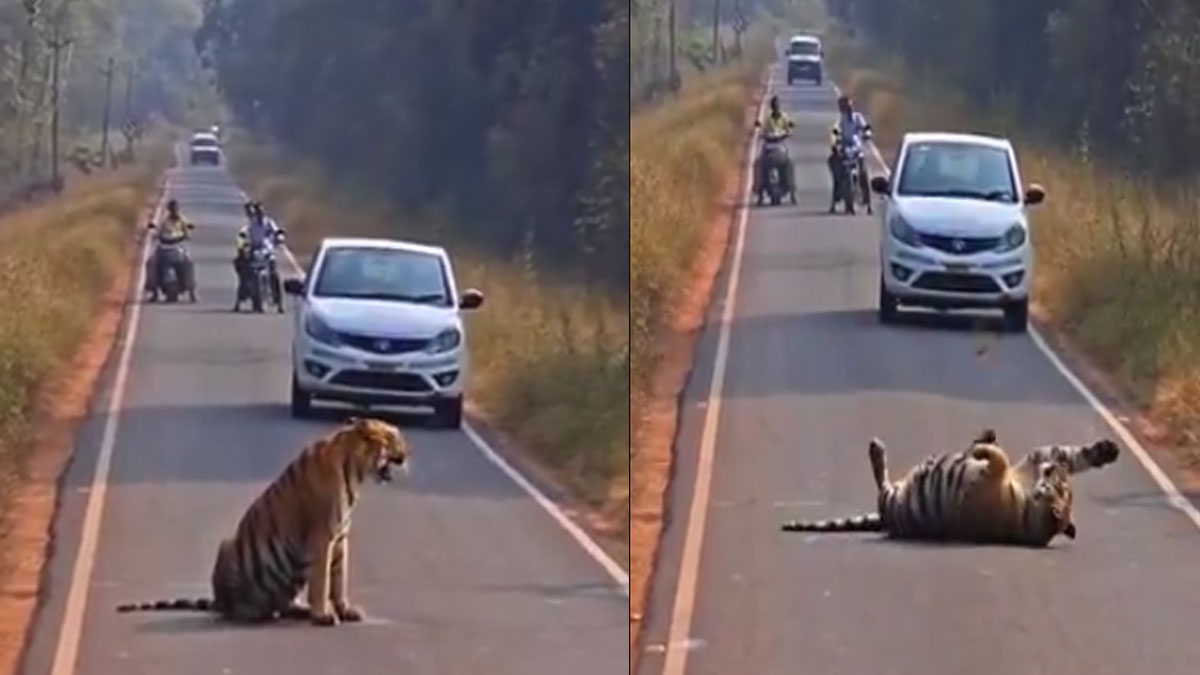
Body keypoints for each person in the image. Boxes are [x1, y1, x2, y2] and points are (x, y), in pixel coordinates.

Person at [232, 201, 285, 311]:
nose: (261, 213)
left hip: (267, 252)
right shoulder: (252, 224)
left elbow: (277, 232)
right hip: (255, 251)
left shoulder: (269, 223)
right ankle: (239, 300)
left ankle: (279, 303)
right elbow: (244, 233)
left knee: (275, 275)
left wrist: (279, 237)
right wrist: (243, 243)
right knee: (244, 274)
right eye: (258, 211)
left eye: (262, 211)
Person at [144, 199, 195, 302]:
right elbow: (158, 231)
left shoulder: (182, 220)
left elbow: (188, 228)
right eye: (172, 209)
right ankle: (154, 292)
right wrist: (154, 234)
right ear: (169, 210)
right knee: (151, 263)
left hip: (178, 247)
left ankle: (191, 292)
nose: (174, 211)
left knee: (189, 263)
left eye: (175, 209)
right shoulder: (164, 221)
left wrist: (187, 234)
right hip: (164, 247)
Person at [828, 94, 872, 213]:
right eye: (845, 106)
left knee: (864, 176)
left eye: (849, 105)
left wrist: (867, 134)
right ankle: (834, 202)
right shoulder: (840, 119)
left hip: (857, 150)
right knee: (837, 174)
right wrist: (834, 143)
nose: (848, 108)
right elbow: (835, 131)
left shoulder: (858, 117)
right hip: (845, 150)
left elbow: (866, 128)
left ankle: (868, 204)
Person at [752, 95, 797, 205]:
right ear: (772, 107)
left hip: (780, 147)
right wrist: (760, 131)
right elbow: (761, 128)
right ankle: (760, 194)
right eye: (774, 105)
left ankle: (792, 194)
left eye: (777, 105)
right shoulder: (768, 119)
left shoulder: (784, 117)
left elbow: (789, 126)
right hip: (768, 147)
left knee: (789, 165)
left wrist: (789, 131)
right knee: (758, 164)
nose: (776, 107)